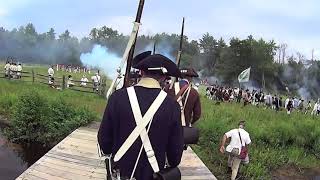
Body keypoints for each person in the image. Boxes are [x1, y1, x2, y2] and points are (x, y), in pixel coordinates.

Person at [98, 54, 184, 180]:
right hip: (153, 175)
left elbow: (104, 142)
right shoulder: (172, 106)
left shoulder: (117, 98)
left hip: (119, 173)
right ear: (164, 77)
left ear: (141, 72)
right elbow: (175, 156)